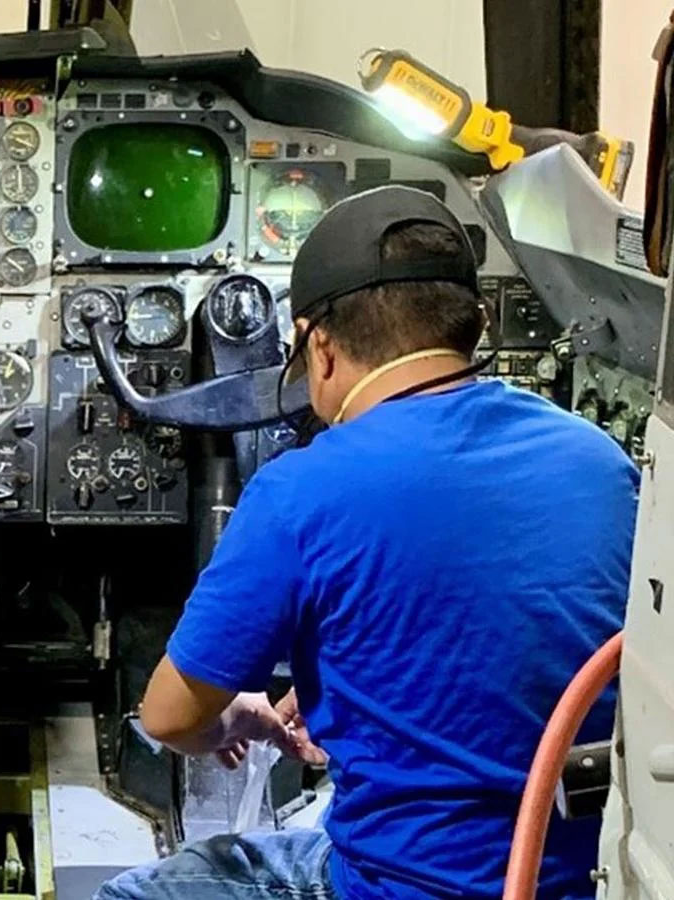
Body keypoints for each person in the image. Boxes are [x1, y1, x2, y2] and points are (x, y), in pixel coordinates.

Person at [97, 186, 637, 899]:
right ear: (475, 323)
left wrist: (237, 716)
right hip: (580, 877)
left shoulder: (302, 490)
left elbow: (169, 717)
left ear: (318, 347)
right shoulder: (602, 460)